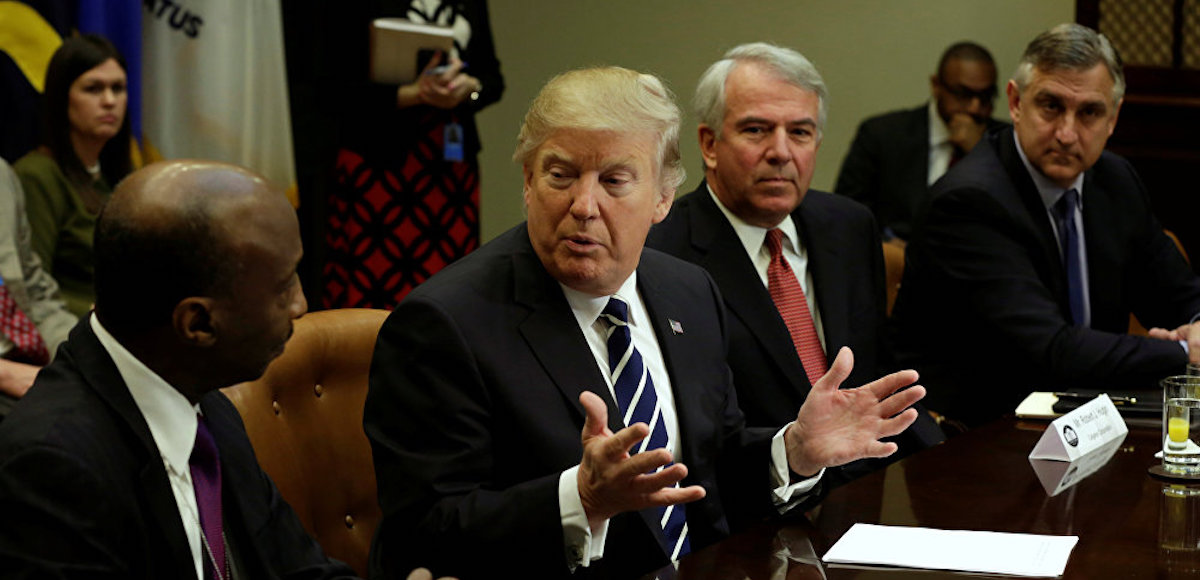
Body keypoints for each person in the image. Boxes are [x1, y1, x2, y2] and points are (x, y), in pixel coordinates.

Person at [365, 66, 927, 579]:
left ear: (662, 198)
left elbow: (714, 462)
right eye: (560, 175)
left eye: (614, 181)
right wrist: (580, 498)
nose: (584, 205)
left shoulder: (687, 290)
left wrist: (795, 449)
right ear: (528, 182)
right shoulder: (445, 322)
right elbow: (424, 529)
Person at [0, 160, 372, 578]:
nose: (300, 306)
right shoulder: (52, 468)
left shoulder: (206, 404)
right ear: (197, 324)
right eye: (283, 287)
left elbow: (298, 570)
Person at [647, 43, 942, 482]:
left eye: (800, 133)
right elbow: (694, 435)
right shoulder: (662, 254)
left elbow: (879, 372)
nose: (781, 152)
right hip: (746, 509)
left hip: (862, 496)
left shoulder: (849, 226)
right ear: (709, 144)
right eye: (756, 130)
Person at [891, 23, 1200, 427]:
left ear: (1113, 118)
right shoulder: (969, 202)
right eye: (1051, 106)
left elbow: (1178, 293)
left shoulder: (1114, 180)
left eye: (1089, 112)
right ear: (1016, 103)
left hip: (1090, 418)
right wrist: (1184, 353)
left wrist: (1196, 326)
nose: (1067, 134)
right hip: (978, 435)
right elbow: (1051, 350)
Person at [322, 0, 504, 309]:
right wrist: (414, 94)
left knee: (451, 285)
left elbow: (493, 80)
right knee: (376, 285)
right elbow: (331, 90)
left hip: (450, 164)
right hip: (378, 161)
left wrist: (469, 87)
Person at [835, 41, 1006, 243]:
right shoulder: (882, 135)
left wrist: (980, 154)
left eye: (986, 97)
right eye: (963, 94)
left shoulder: (1005, 141)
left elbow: (1018, 219)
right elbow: (843, 216)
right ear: (936, 86)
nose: (975, 108)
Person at [14, 34, 133, 317]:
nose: (109, 101)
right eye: (93, 89)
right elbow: (30, 287)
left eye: (118, 88)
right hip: (72, 335)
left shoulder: (120, 178)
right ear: (62, 97)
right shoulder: (37, 175)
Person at [0, 157, 77, 416]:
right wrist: (5, 373)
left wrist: (84, 351)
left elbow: (34, 291)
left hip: (25, 352)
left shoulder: (2, 175)